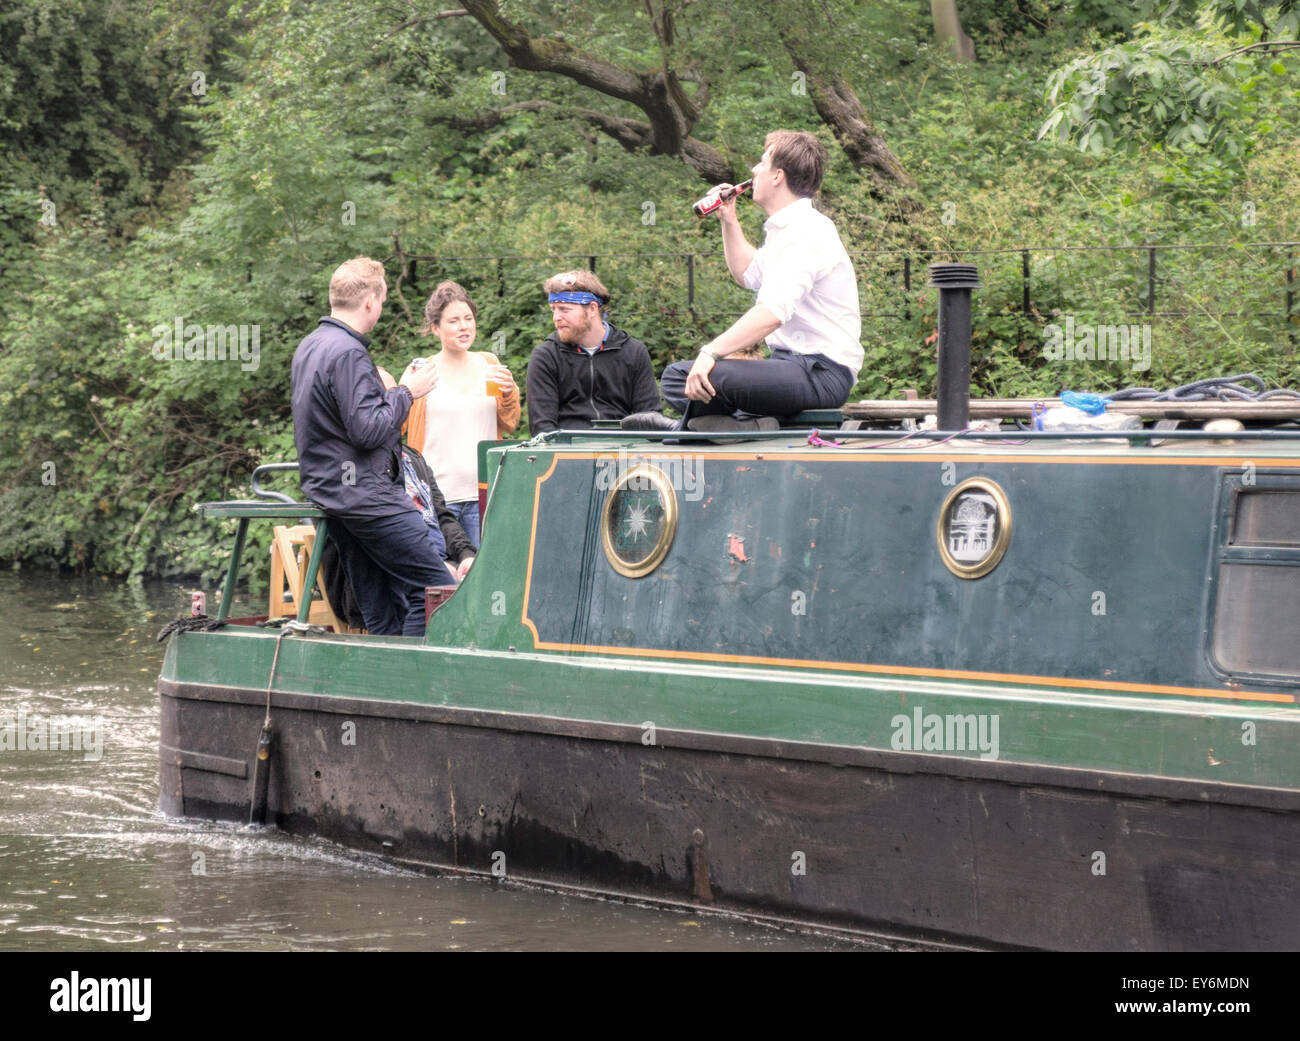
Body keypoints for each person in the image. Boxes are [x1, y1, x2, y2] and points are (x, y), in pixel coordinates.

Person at [625, 130, 862, 432]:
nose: (753, 171)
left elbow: (772, 314)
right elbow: (747, 273)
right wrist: (729, 218)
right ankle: (740, 426)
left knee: (699, 376)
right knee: (677, 378)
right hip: (789, 365)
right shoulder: (786, 229)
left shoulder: (806, 232)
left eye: (761, 163)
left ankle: (696, 428)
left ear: (777, 175)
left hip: (821, 372)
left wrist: (711, 351)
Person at [291, 256, 454, 637]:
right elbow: (367, 430)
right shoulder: (349, 353)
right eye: (381, 302)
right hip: (367, 498)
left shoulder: (309, 347)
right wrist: (407, 392)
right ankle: (409, 685)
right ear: (370, 302)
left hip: (333, 498)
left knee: (380, 605)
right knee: (436, 591)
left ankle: (382, 691)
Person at [400, 281, 519, 549]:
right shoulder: (421, 370)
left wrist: (510, 392)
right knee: (442, 582)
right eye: (453, 321)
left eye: (468, 318)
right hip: (436, 500)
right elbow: (395, 428)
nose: (464, 327)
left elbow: (511, 423)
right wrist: (403, 391)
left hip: (485, 494)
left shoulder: (489, 363)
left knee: (484, 577)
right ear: (435, 328)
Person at [525, 270, 661, 434]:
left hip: (623, 449)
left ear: (592, 309)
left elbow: (650, 417)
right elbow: (542, 428)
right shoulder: (546, 356)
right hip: (566, 451)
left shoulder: (633, 351)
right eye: (553, 309)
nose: (556, 317)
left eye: (564, 309)